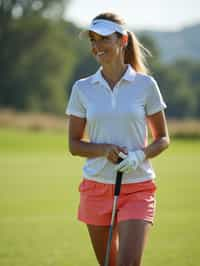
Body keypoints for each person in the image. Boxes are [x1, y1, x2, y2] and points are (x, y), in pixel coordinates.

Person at [66, 12, 170, 266]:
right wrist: (103, 149)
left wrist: (139, 155)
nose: (97, 46)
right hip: (96, 188)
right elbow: (74, 144)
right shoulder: (83, 88)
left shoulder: (145, 85)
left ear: (122, 40)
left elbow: (162, 138)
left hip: (137, 187)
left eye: (103, 39)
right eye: (93, 39)